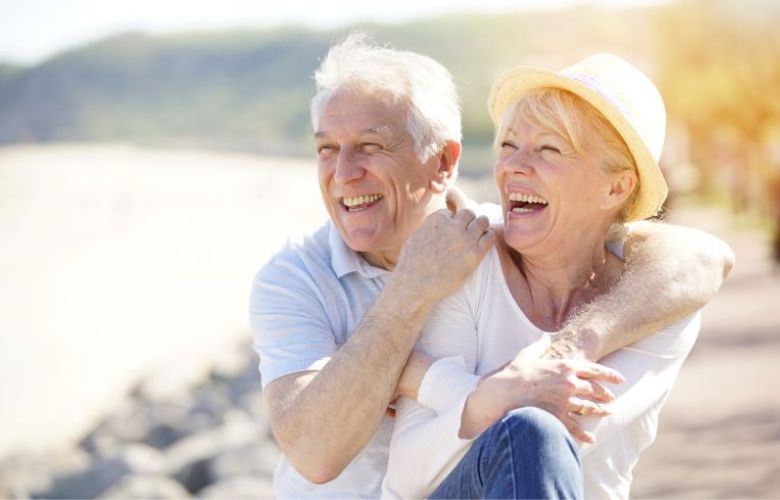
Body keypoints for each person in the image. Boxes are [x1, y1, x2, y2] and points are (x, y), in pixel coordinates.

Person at [250, 34, 735, 498]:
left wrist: (559, 351)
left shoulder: (487, 248)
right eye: (326, 150)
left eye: (371, 146)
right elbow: (316, 454)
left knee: (532, 432)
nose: (342, 173)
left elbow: (703, 256)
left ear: (443, 162)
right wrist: (410, 294)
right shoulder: (296, 278)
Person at [382, 55, 721, 499]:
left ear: (616, 188)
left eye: (548, 149)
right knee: (528, 429)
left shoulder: (658, 303)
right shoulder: (469, 260)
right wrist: (491, 395)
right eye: (508, 146)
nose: (513, 168)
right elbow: (407, 478)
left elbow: (569, 427)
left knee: (534, 433)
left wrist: (441, 383)